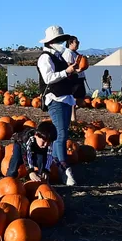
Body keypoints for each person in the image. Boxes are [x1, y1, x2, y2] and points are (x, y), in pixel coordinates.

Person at [37, 25, 81, 186]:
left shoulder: (59, 56)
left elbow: (64, 75)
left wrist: (73, 71)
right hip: (55, 99)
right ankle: (64, 168)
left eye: (62, 40)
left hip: (65, 98)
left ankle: (56, 164)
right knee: (61, 134)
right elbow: (48, 78)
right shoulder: (45, 58)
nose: (62, 43)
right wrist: (66, 72)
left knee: (60, 134)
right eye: (59, 40)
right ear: (51, 42)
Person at [62, 36, 86, 121]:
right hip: (74, 78)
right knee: (73, 99)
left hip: (80, 78)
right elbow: (68, 66)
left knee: (80, 100)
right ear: (70, 43)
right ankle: (73, 119)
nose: (78, 43)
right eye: (76, 42)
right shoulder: (68, 53)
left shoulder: (75, 53)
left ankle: (68, 113)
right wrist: (78, 70)